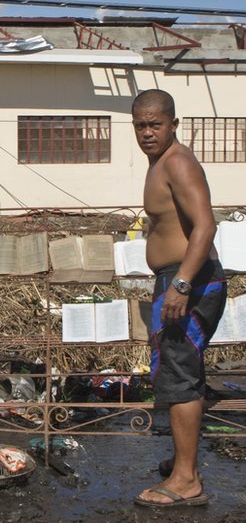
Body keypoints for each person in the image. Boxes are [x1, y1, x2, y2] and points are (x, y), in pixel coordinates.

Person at [131, 89, 227, 507]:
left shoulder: (179, 162)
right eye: (140, 125)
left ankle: (186, 481)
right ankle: (182, 463)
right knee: (177, 371)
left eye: (155, 124)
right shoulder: (159, 163)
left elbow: (205, 226)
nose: (148, 132)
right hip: (178, 279)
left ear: (173, 124)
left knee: (180, 375)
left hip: (191, 281)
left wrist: (182, 283)